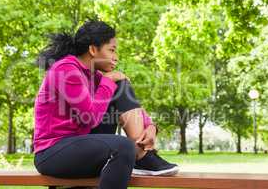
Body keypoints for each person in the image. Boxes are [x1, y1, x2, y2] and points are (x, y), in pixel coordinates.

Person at [33, 19, 179, 189]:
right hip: (52, 152)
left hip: (81, 143)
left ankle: (144, 155)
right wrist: (109, 80)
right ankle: (139, 155)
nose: (115, 57)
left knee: (120, 85)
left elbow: (131, 106)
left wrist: (151, 127)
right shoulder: (65, 69)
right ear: (93, 49)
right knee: (123, 147)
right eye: (111, 50)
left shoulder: (94, 76)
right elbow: (90, 118)